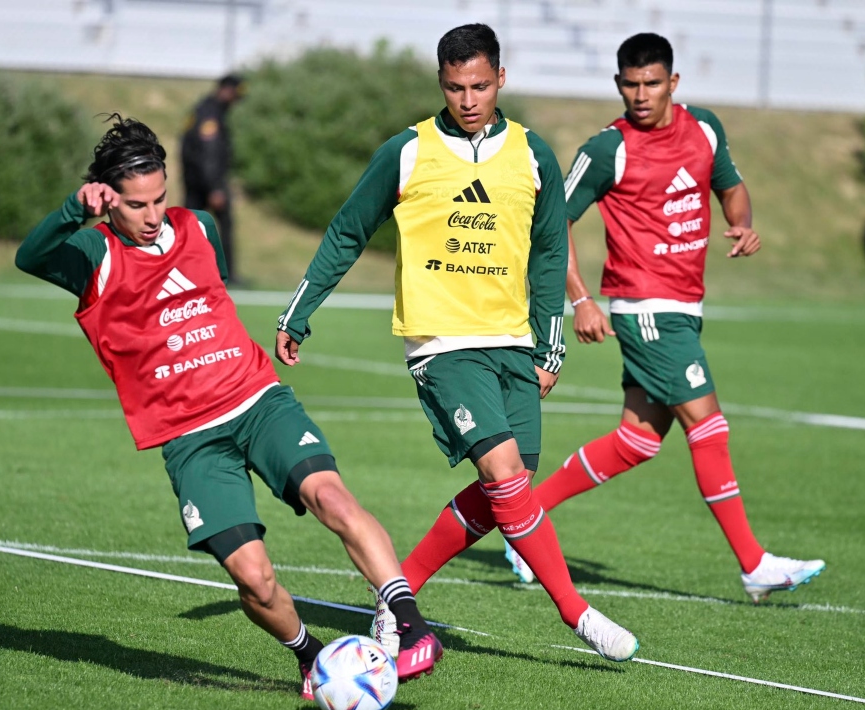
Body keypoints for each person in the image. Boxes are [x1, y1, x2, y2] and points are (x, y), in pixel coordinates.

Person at [14, 115, 443, 697]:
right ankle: (313, 659)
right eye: (136, 204)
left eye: (160, 198)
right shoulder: (93, 253)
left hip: (257, 400)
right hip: (190, 438)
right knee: (254, 580)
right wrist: (73, 209)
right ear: (109, 199)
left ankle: (410, 625)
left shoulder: (202, 228)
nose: (153, 214)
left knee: (331, 496)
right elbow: (31, 258)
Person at [276, 24, 639, 663]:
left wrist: (549, 345)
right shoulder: (407, 151)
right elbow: (346, 232)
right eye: (453, 87)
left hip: (513, 343)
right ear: (439, 83)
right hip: (442, 345)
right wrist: (298, 313)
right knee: (503, 475)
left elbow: (552, 251)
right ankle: (575, 613)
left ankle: (398, 595)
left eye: (478, 85)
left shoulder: (533, 156)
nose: (467, 99)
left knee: (513, 489)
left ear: (501, 78)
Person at [520, 32, 825, 603]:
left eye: (652, 83)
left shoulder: (704, 128)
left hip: (686, 306)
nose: (641, 94)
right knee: (707, 424)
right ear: (618, 85)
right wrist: (581, 298)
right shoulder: (608, 149)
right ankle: (754, 564)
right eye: (631, 84)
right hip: (645, 307)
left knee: (638, 440)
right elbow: (550, 224)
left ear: (673, 84)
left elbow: (731, 189)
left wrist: (743, 222)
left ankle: (524, 521)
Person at [181, 74, 243, 284]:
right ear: (227, 91)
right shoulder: (211, 113)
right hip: (206, 183)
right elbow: (209, 152)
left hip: (194, 181)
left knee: (189, 228)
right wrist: (215, 187)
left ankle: (185, 274)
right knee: (220, 225)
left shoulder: (202, 108)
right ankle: (227, 275)